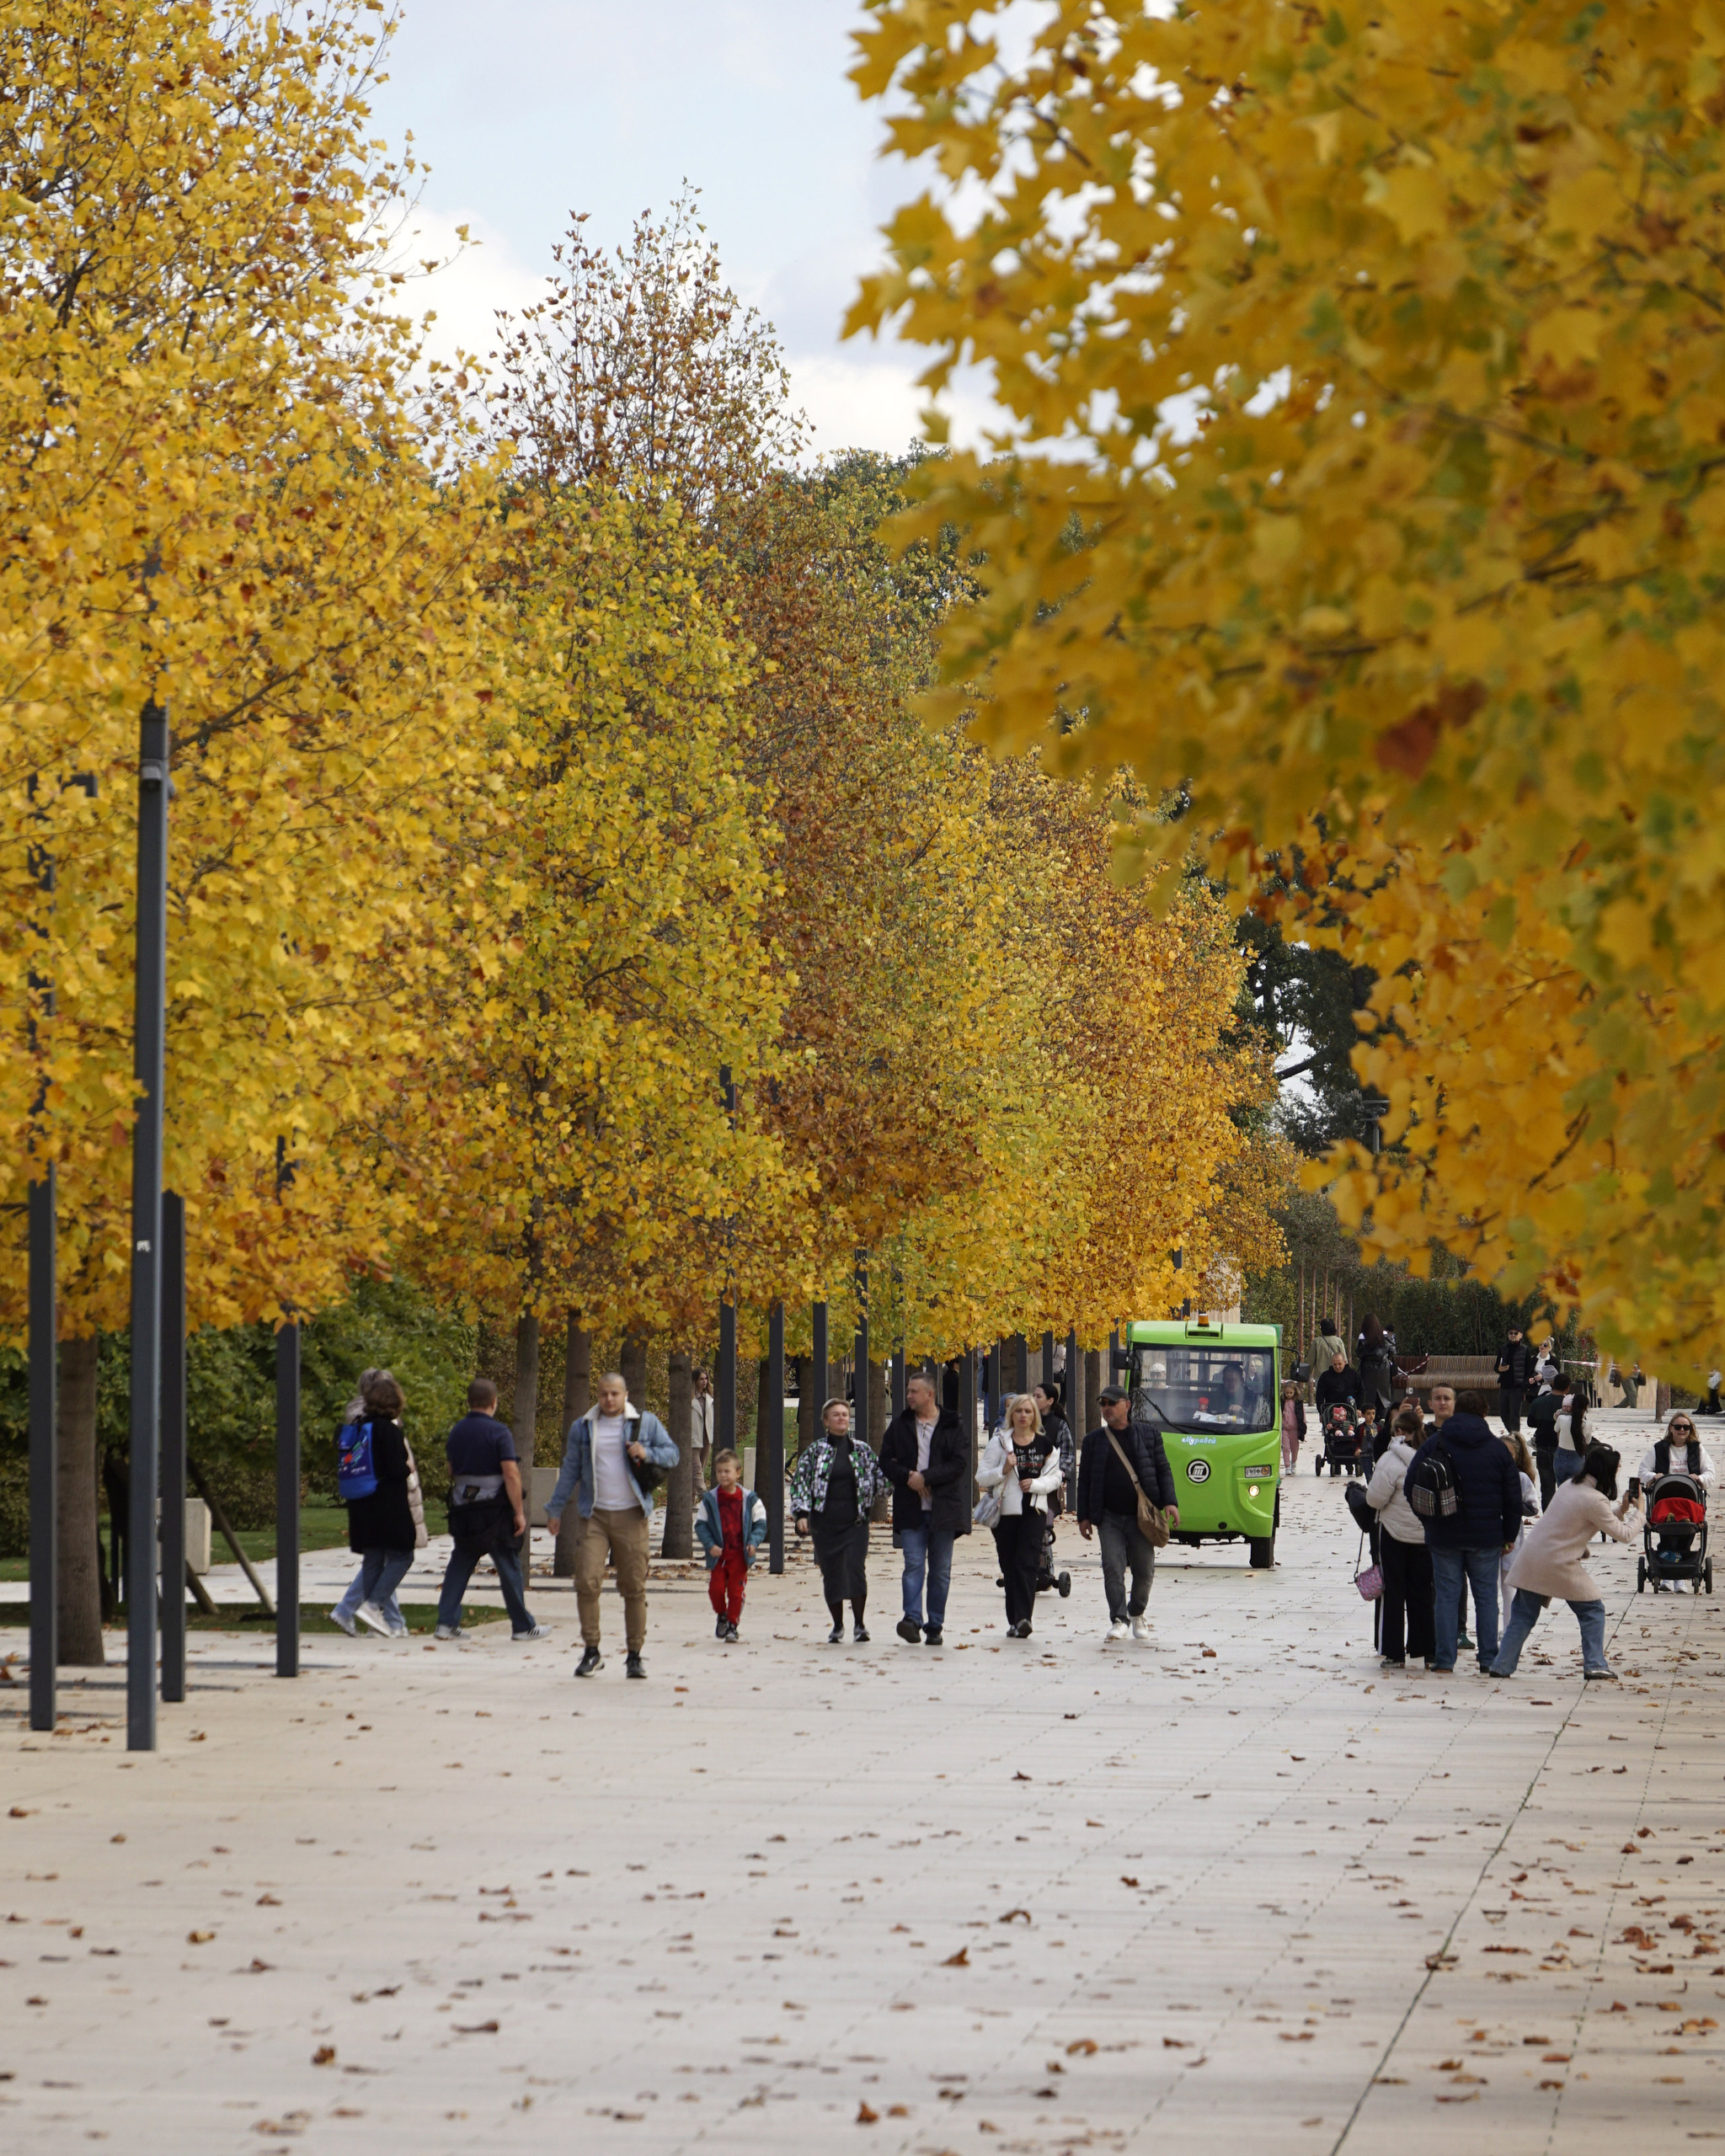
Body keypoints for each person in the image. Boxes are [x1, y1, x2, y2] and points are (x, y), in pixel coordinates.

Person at [545, 1369, 679, 1680]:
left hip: (632, 1515)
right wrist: (554, 1508)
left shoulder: (644, 1423)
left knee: (633, 1587)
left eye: (615, 1394)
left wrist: (648, 1452)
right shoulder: (584, 1427)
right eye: (604, 1393)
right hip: (595, 1516)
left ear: (625, 1395)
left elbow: (673, 1454)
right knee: (587, 1581)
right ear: (598, 1394)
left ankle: (634, 1655)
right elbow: (570, 1470)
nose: (609, 1399)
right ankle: (592, 1651)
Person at [1489, 1445, 1640, 1681]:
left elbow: (1592, 1518)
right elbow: (1625, 1535)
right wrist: (1640, 1512)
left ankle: (1501, 1665)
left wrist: (1621, 1509)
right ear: (1607, 1472)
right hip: (1558, 1563)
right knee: (1592, 1610)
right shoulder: (1594, 1499)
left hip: (1533, 1557)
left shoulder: (1571, 1486)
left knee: (1523, 1615)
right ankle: (1595, 1664)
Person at [1402, 1387, 1523, 1673]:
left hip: (1444, 1534)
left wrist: (1428, 1521)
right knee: (1485, 1598)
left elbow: (1411, 1486)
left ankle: (1444, 1660)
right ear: (1484, 1413)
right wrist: (1507, 1535)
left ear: (1457, 1411)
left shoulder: (1436, 1444)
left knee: (1445, 1596)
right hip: (1486, 1537)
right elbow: (1513, 1497)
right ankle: (1488, 1659)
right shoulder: (1497, 1449)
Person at [435, 1377, 546, 1642]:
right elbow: (511, 1473)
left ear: (469, 1402)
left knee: (460, 1563)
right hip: (494, 1511)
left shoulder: (457, 1431)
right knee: (508, 1563)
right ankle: (522, 1626)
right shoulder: (499, 1433)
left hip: (464, 1508)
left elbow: (451, 1469)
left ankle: (446, 1623)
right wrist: (519, 1512)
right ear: (494, 1403)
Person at [1076, 1385, 1178, 1643]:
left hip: (1141, 1517)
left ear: (1127, 1406)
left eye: (1111, 1403)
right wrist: (1084, 1516)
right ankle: (1118, 1619)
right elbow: (1085, 1480)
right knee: (1112, 1566)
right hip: (1109, 1517)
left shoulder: (1148, 1435)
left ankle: (1137, 1612)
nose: (1106, 1408)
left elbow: (1163, 1470)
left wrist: (1170, 1502)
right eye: (1103, 1404)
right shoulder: (1093, 1441)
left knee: (1144, 1570)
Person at [880, 1370, 970, 1646]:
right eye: (908, 1391)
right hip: (911, 1509)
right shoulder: (900, 1425)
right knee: (914, 1565)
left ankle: (935, 1625)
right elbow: (885, 1461)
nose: (908, 1396)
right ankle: (912, 1619)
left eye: (913, 1391)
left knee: (940, 1571)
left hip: (943, 1511)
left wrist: (926, 1477)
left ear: (929, 1395)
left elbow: (959, 1463)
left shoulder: (953, 1424)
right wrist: (909, 1477)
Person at [330, 1369, 421, 1639]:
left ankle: (370, 1617)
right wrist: (406, 1469)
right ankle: (374, 1605)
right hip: (388, 1503)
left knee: (373, 1560)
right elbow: (397, 1468)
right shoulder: (387, 1430)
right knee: (403, 1555)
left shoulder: (358, 1427)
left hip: (361, 1501)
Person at [789, 1398, 886, 1642]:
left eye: (844, 1414)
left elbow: (881, 1478)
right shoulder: (815, 1452)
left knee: (855, 1570)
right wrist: (801, 1514)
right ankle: (838, 1625)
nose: (842, 1417)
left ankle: (860, 1624)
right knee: (832, 1573)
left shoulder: (861, 1450)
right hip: (825, 1524)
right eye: (836, 1415)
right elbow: (801, 1483)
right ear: (826, 1421)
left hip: (855, 1524)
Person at [978, 1394, 1064, 1638]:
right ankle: (1014, 1620)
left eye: (1028, 1411)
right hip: (1005, 1513)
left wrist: (1036, 1485)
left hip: (1034, 1512)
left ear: (1034, 1415)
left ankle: (1024, 1619)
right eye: (1019, 1411)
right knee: (1010, 1567)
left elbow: (1056, 1477)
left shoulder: (1045, 1445)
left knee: (1027, 1564)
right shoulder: (999, 1443)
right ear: (1011, 1415)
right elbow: (981, 1477)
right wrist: (1002, 1469)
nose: (1023, 1415)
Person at [1366, 1402, 1435, 1670]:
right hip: (1426, 1535)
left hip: (1394, 1534)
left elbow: (1374, 1498)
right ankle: (1427, 1650)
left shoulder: (1390, 1459)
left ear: (1397, 1430)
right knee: (1424, 1593)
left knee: (1393, 1592)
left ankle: (1394, 1653)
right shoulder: (1431, 1454)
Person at [694, 1448, 767, 1642]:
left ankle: (733, 1625)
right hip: (719, 1555)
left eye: (727, 1471)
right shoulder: (710, 1500)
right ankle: (722, 1615)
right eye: (719, 1471)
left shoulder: (749, 1499)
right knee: (716, 1590)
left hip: (739, 1555)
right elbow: (701, 1525)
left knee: (736, 1592)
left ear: (738, 1472)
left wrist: (753, 1542)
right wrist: (710, 1545)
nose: (723, 1475)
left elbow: (760, 1523)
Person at [1631, 1410, 1717, 1565]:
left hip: (1689, 1502)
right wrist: (1653, 1476)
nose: (1682, 1430)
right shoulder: (1659, 1448)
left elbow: (1710, 1473)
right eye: (1678, 1427)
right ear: (1671, 1428)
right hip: (1665, 1500)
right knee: (1667, 1533)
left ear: (1691, 1429)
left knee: (1686, 1533)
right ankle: (1667, 1565)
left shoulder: (1697, 1449)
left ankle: (1681, 1564)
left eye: (1686, 1427)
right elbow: (1643, 1471)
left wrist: (1700, 1478)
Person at [1498, 1428, 1541, 1631]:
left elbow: (1533, 1507)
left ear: (1516, 1456)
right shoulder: (1486, 1475)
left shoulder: (1521, 1478)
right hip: (1488, 1538)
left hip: (1512, 1540)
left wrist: (1512, 1505)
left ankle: (1508, 1628)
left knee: (1508, 1587)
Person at [1033, 1378, 1076, 1509]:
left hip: (1048, 1484)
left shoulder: (1059, 1424)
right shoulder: (1025, 1421)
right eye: (1033, 1395)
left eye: (1038, 1396)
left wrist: (1058, 1474)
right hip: (1025, 1482)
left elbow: (1067, 1455)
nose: (1034, 1399)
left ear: (1050, 1401)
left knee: (1045, 1522)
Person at [1525, 1377, 1563, 1511]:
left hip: (1542, 1447)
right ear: (1568, 1388)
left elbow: (1530, 1423)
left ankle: (1548, 1518)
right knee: (1565, 1487)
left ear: (1552, 1385)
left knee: (1547, 1487)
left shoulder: (1539, 1402)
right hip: (1562, 1449)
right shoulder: (1569, 1404)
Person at [1495, 1324, 1538, 1436]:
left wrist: (1525, 1384)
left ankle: (1516, 1438)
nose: (1513, 1335)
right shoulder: (1503, 1349)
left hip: (1517, 1387)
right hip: (1504, 1386)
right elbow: (1496, 1367)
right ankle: (1513, 1434)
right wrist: (1499, 1369)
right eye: (1511, 1333)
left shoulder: (1524, 1350)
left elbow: (1529, 1369)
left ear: (1521, 1335)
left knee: (1514, 1415)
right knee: (1504, 1414)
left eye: (1515, 1333)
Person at [1357, 1313, 1394, 1434]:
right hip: (1384, 1369)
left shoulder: (1363, 1337)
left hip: (1368, 1369)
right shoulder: (1384, 1335)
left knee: (1369, 1395)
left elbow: (1359, 1354)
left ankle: (1369, 1423)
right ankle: (1383, 1419)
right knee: (1384, 1396)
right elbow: (1392, 1351)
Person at [1552, 1379, 1593, 1488]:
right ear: (1585, 1408)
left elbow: (1556, 1429)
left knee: (1561, 1488)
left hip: (1560, 1456)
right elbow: (1588, 1441)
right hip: (1577, 1457)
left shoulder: (1561, 1418)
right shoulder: (1587, 1424)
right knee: (1574, 1490)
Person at [692, 1368, 715, 1481]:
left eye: (706, 1379)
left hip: (706, 1438)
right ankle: (703, 1493)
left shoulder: (710, 1398)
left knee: (701, 1469)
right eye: (701, 1379)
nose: (704, 1381)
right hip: (694, 1438)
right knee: (697, 1469)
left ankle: (692, 1497)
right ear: (695, 1381)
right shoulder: (690, 1398)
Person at [1279, 1379, 1306, 1478]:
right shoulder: (1282, 1401)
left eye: (1291, 1393)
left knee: (1294, 1449)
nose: (1289, 1395)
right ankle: (1287, 1466)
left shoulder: (1298, 1402)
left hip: (1295, 1429)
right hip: (1285, 1428)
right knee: (1285, 1448)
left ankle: (1293, 1462)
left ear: (1295, 1392)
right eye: (1287, 1393)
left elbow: (1302, 1415)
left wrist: (1303, 1426)